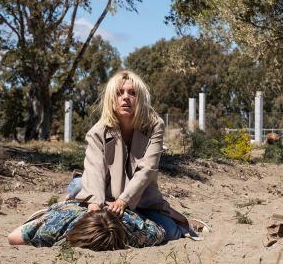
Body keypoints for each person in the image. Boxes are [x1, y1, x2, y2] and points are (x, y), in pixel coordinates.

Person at [72, 69, 193, 240]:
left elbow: (148, 168)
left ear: (140, 98)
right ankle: (74, 196)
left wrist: (124, 201)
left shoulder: (155, 125)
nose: (125, 97)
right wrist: (94, 203)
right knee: (79, 185)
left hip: (141, 196)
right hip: (104, 192)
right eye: (119, 93)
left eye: (132, 93)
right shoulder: (97, 132)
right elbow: (94, 169)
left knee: (171, 232)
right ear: (111, 98)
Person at [6, 200, 165, 249]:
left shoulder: (52, 229)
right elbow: (160, 232)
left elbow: (13, 237)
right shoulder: (131, 230)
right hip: (76, 203)